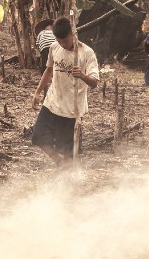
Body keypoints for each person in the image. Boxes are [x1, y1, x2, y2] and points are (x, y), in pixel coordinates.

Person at [31, 17, 100, 165]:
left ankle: (68, 179)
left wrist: (82, 75)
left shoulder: (87, 53)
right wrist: (37, 92)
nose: (62, 44)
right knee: (38, 137)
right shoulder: (54, 47)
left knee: (69, 152)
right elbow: (48, 71)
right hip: (52, 103)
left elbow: (94, 83)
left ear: (73, 33)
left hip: (72, 110)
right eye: (59, 40)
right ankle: (59, 163)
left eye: (66, 41)